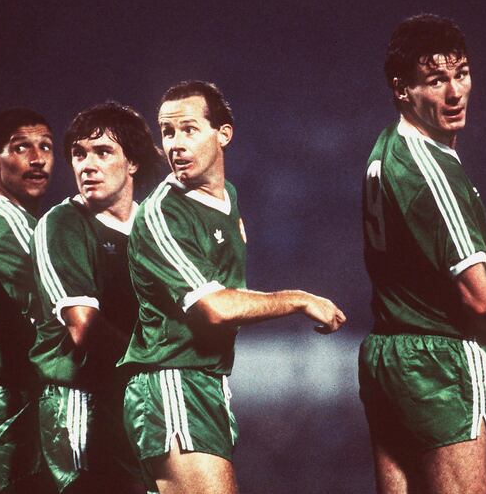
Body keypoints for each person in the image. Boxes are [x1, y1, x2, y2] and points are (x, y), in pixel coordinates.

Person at [119, 80, 346, 494]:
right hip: (173, 382)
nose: (175, 144)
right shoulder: (163, 214)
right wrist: (299, 299)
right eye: (167, 132)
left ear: (223, 134)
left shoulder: (227, 199)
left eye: (188, 129)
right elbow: (216, 308)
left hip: (207, 382)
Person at [358, 14, 486, 494]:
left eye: (460, 73)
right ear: (402, 89)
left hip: (388, 353)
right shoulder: (433, 169)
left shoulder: (385, 148)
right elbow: (480, 300)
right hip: (438, 362)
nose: (455, 92)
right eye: (436, 80)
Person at [30, 102, 159, 493]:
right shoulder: (63, 224)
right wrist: (158, 367)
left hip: (137, 397)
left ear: (132, 162)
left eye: (103, 152)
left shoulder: (156, 227)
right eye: (79, 154)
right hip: (82, 404)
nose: (87, 164)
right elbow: (84, 327)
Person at [0, 108, 56, 493]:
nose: (37, 160)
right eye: (22, 148)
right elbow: (55, 311)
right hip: (17, 407)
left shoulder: (14, 223)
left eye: (46, 147)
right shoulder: (9, 228)